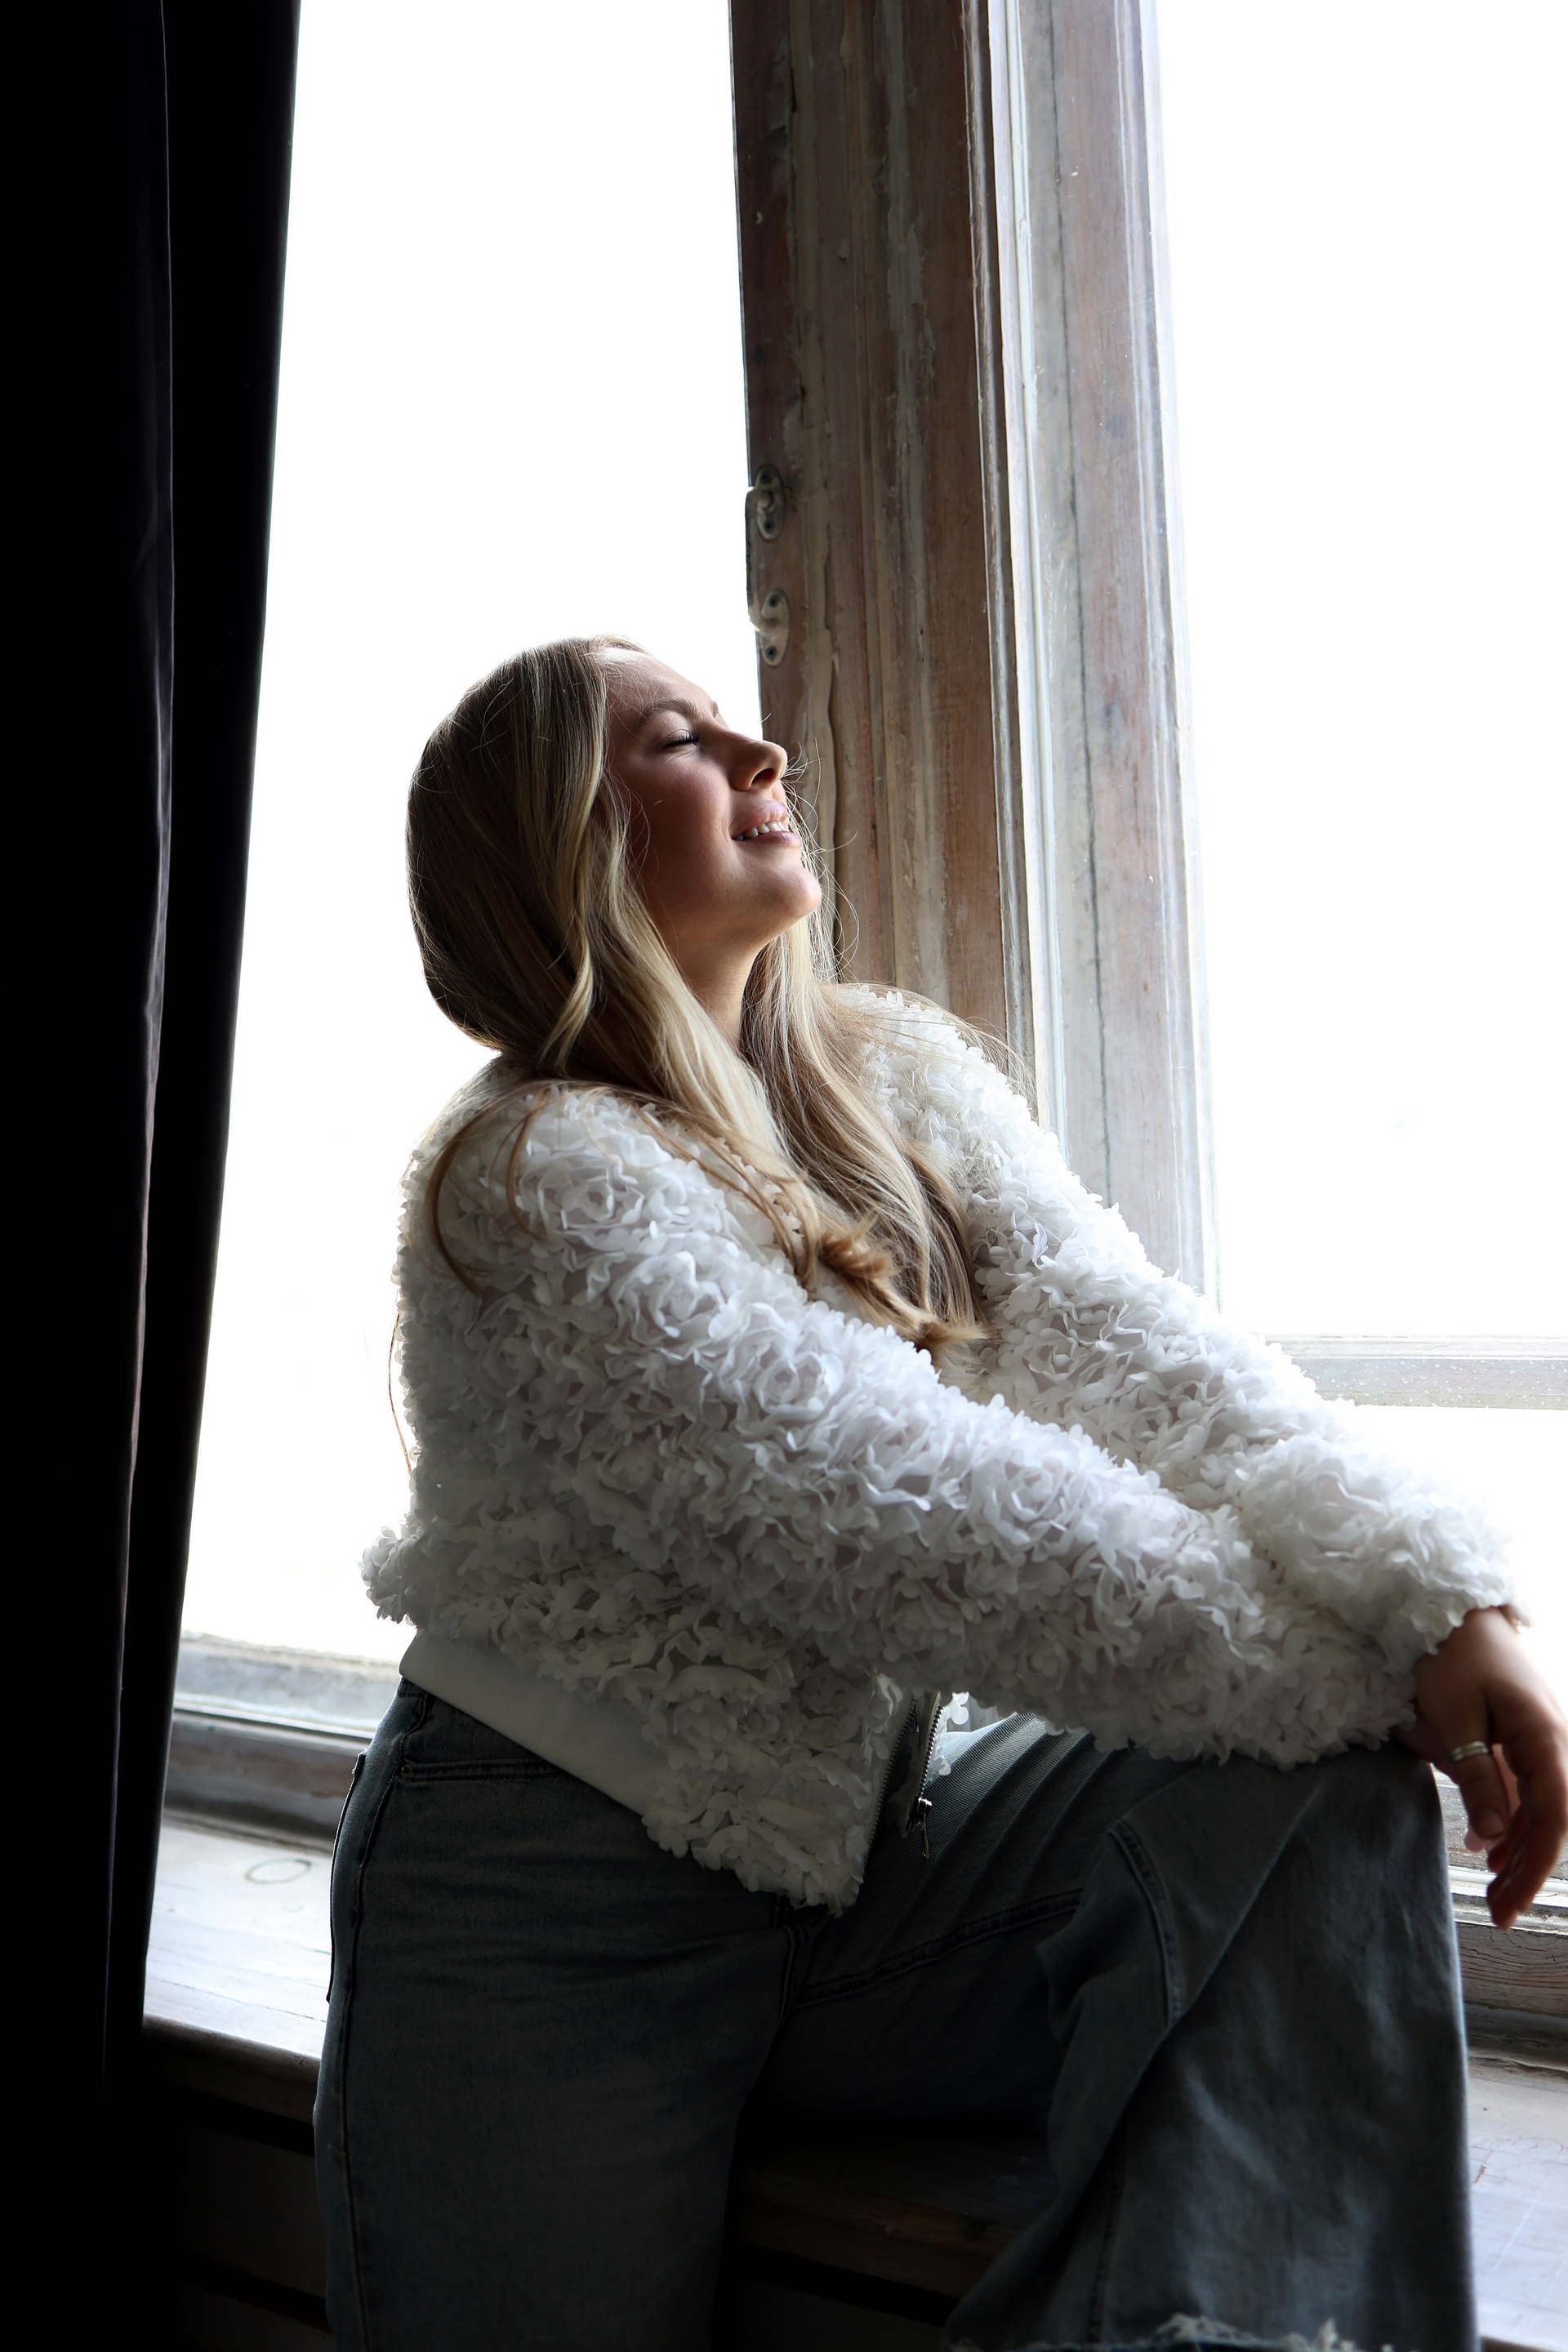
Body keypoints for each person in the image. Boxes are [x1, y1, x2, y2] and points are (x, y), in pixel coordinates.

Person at [315, 635, 1566, 2352]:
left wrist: (1436, 1599)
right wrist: (1358, 1670)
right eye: (681, 740)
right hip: (545, 1907)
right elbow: (896, 1521)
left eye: (740, 727)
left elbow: (1136, 1350)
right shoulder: (535, 1174)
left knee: (1322, 1802)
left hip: (867, 1874)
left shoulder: (890, 1082)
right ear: (560, 848)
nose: (764, 753)